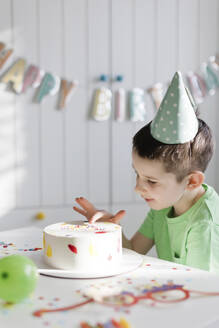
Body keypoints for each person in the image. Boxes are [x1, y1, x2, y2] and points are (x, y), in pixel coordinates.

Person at [73, 72, 219, 273]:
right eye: (137, 174)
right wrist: (111, 228)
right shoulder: (163, 205)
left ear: (192, 181)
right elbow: (133, 251)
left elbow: (203, 289)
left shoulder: (205, 224)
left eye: (151, 181)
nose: (138, 188)